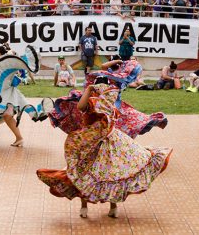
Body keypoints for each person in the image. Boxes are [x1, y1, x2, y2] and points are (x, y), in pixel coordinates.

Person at [37, 79, 172, 219]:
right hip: (113, 141)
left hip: (92, 144)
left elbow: (80, 107)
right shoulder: (110, 105)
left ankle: (84, 207)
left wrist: (89, 90)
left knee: (83, 172)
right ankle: (113, 207)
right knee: (112, 173)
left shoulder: (93, 103)